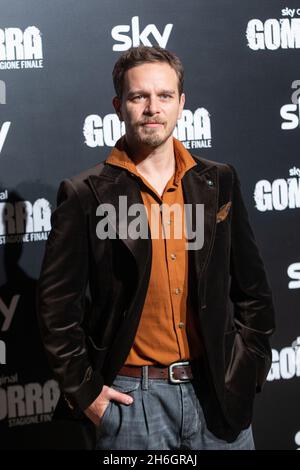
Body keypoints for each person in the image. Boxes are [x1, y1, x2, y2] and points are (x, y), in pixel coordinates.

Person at [37, 46, 275, 450]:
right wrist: (87, 396)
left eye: (164, 96)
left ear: (181, 104)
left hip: (217, 395)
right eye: (138, 97)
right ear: (118, 105)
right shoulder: (85, 195)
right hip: (132, 404)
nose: (152, 108)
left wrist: (246, 368)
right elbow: (57, 310)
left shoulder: (219, 182)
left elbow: (253, 292)